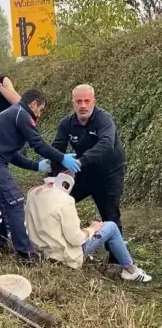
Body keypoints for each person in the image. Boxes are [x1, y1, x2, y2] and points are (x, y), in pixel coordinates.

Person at [0, 88, 81, 262]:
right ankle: (25, 253)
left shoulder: (9, 114)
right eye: (41, 110)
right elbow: (38, 144)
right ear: (34, 104)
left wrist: (36, 166)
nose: (40, 114)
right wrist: (61, 158)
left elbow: (10, 152)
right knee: (15, 202)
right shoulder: (22, 114)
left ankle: (0, 242)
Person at [50, 84, 127, 264]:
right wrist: (52, 175)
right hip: (83, 172)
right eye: (79, 101)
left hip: (109, 172)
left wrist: (79, 161)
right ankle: (57, 245)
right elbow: (57, 149)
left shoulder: (104, 119)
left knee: (110, 213)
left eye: (87, 101)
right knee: (57, 202)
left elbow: (106, 144)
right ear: (73, 103)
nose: (83, 105)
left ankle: (116, 261)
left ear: (94, 102)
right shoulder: (66, 124)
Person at [25, 172, 151, 282]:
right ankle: (131, 271)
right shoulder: (65, 199)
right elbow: (76, 239)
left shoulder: (34, 191)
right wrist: (92, 229)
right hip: (62, 256)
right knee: (111, 226)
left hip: (40, 251)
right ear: (67, 173)